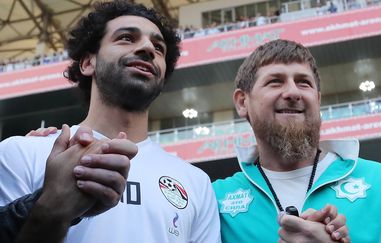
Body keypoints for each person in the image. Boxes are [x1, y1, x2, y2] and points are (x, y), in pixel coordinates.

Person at [0, 1, 220, 243]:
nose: (148, 48)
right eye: (126, 38)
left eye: (159, 47)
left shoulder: (196, 183)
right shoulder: (21, 153)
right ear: (87, 63)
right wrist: (52, 207)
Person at [212, 39, 381, 242]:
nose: (292, 92)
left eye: (304, 82)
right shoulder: (214, 199)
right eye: (275, 81)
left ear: (317, 99)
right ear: (242, 102)